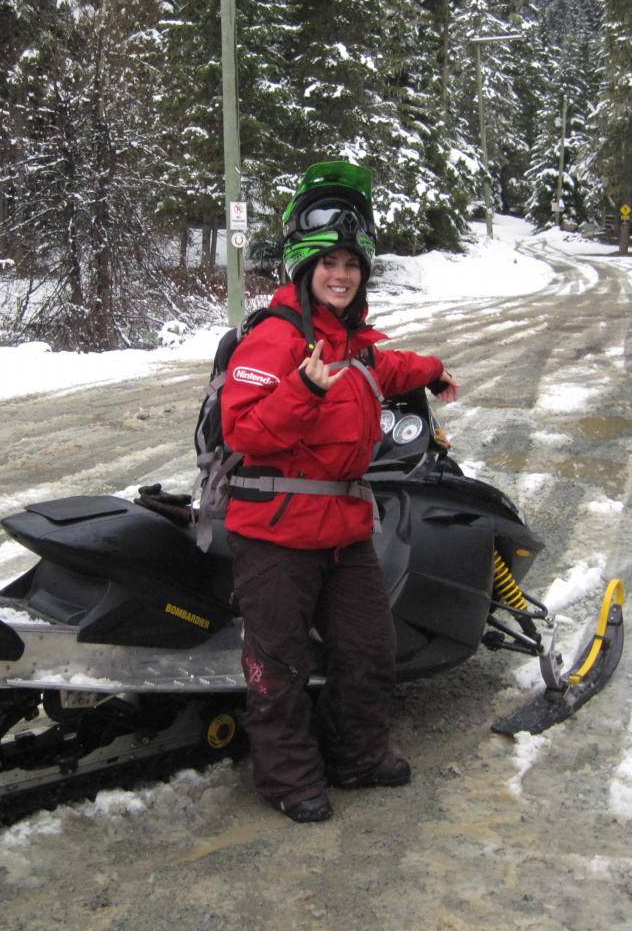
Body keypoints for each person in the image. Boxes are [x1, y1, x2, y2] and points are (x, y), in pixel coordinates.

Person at [221, 161, 459, 823]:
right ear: (305, 268)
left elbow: (391, 364)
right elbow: (242, 428)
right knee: (280, 664)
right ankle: (287, 775)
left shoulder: (352, 342)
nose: (342, 274)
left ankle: (357, 755)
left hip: (343, 528)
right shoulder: (275, 338)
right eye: (330, 262)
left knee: (368, 651)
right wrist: (305, 389)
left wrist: (434, 373)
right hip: (275, 531)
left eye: (352, 264)